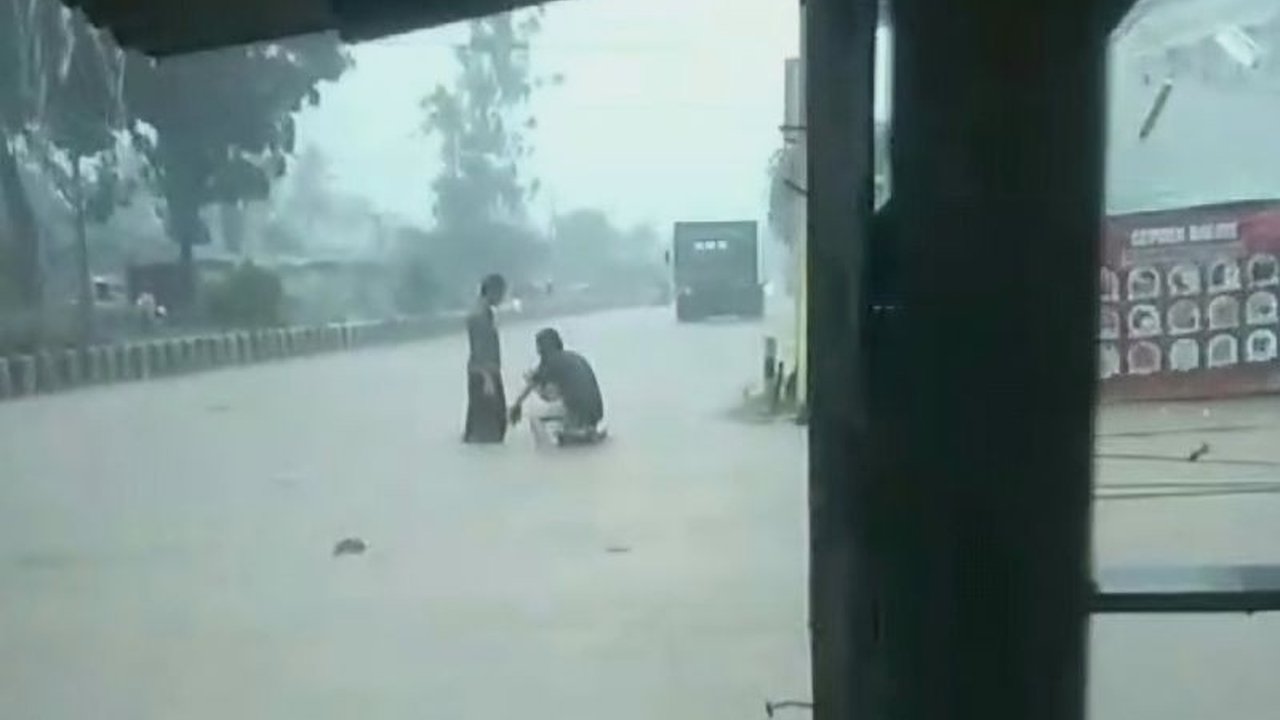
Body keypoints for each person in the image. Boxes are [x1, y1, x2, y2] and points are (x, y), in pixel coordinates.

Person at [509, 328, 605, 445]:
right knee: (566, 415)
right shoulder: (572, 357)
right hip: (597, 411)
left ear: (541, 348)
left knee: (535, 418)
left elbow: (548, 397)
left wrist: (517, 404)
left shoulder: (549, 362)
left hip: (577, 409)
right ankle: (584, 431)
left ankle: (547, 453)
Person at [463, 273, 508, 444]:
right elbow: (479, 349)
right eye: (501, 293)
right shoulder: (479, 316)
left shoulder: (484, 312)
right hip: (484, 374)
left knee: (486, 425)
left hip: (486, 372)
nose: (503, 298)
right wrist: (487, 378)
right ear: (492, 292)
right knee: (490, 428)